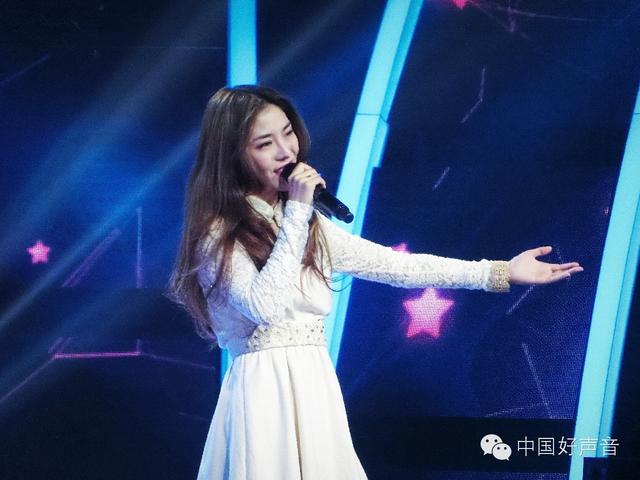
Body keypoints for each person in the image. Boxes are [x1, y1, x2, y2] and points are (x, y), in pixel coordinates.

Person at [169, 85, 583, 480]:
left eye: (288, 133)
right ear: (233, 155)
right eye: (265, 144)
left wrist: (500, 271)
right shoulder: (218, 232)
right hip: (265, 394)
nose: (286, 151)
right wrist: (297, 211)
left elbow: (397, 266)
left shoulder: (306, 224)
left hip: (313, 384)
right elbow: (265, 307)